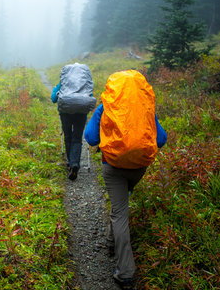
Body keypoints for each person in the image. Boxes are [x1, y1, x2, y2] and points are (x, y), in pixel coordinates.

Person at [84, 70, 167, 289]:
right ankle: (112, 240)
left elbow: (91, 137)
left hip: (113, 167)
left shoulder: (105, 107)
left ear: (114, 89)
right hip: (139, 168)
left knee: (120, 212)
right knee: (121, 203)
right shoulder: (146, 108)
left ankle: (125, 272)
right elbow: (161, 139)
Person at [51, 63, 95, 181]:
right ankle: (75, 163)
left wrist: (57, 90)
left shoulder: (63, 84)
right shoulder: (85, 85)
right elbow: (90, 97)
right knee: (77, 138)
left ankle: (71, 163)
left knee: (68, 137)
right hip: (81, 113)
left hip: (65, 112)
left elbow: (53, 99)